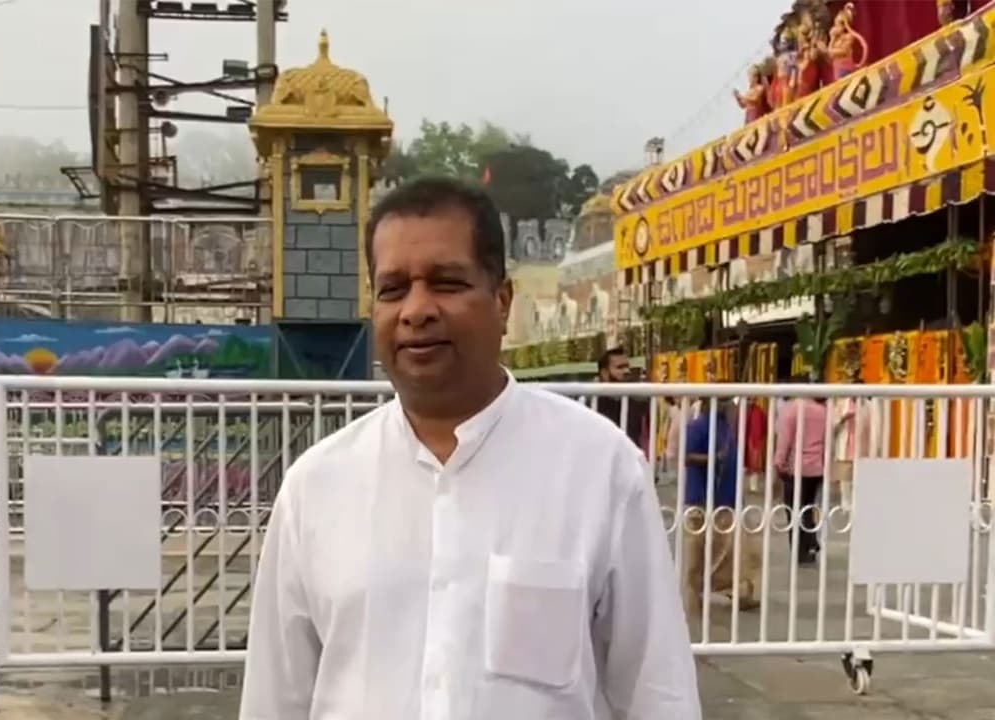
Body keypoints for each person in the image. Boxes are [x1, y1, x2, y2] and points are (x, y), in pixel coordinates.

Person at [240, 177, 700, 719]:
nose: (416, 309)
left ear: (502, 301)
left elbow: (657, 692)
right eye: (392, 289)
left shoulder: (599, 468)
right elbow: (276, 698)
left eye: (446, 282)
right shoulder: (316, 487)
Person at [681, 399, 761, 614]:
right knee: (701, 550)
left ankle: (739, 591)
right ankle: (694, 593)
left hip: (728, 498)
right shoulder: (698, 426)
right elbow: (685, 455)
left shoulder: (728, 427)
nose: (735, 407)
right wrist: (712, 459)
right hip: (704, 498)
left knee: (740, 551)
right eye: (730, 403)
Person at [773, 384, 829, 564]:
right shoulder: (822, 412)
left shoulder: (791, 411)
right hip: (816, 468)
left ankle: (801, 550)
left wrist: (778, 463)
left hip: (795, 467)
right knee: (807, 506)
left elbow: (785, 439)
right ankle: (811, 542)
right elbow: (827, 441)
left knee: (793, 509)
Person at [595, 346, 649, 450]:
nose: (627, 371)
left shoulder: (638, 402)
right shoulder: (592, 404)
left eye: (627, 367)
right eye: (620, 367)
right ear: (605, 373)